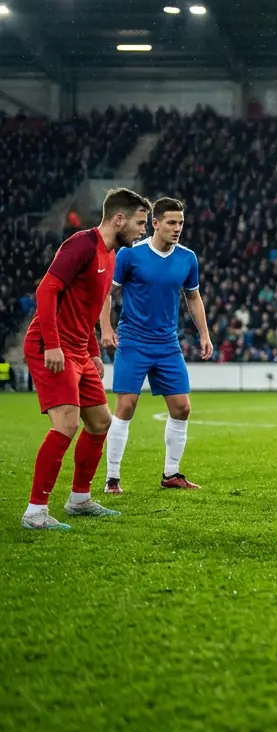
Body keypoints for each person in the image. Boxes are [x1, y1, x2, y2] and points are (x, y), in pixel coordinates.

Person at [21, 188, 150, 531]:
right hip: (53, 346)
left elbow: (87, 310)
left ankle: (79, 499)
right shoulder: (82, 245)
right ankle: (35, 512)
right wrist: (52, 344)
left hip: (79, 349)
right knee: (66, 423)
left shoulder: (110, 256)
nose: (143, 231)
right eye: (140, 223)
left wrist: (93, 352)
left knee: (100, 422)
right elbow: (46, 290)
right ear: (118, 219)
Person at [99, 197, 213, 494]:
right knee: (126, 405)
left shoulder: (187, 258)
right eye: (172, 223)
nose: (177, 228)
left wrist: (204, 334)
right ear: (156, 223)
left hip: (167, 344)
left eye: (181, 223)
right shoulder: (130, 255)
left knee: (182, 407)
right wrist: (107, 328)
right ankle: (112, 478)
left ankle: (171, 474)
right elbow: (107, 292)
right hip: (134, 342)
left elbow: (192, 297)